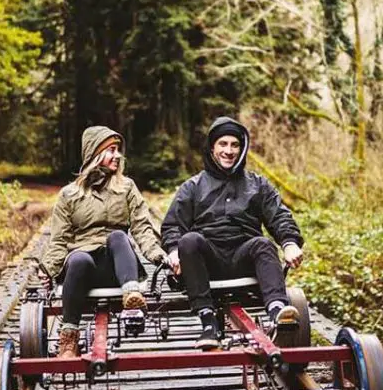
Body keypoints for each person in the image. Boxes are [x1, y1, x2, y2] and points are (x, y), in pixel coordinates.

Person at [161, 116, 304, 350]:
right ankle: (207, 320)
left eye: (235, 145)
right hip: (208, 262)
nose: (229, 151)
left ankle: (278, 310)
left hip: (244, 256)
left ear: (242, 148)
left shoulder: (257, 184)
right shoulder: (193, 186)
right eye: (223, 144)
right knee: (188, 240)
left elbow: (278, 215)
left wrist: (289, 243)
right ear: (212, 148)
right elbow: (172, 225)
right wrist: (174, 250)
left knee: (263, 244)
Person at [40, 126, 167, 359]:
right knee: (78, 258)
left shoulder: (126, 187)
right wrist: (48, 269)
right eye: (111, 150)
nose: (117, 156)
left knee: (118, 236)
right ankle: (68, 339)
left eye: (118, 150)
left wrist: (157, 254)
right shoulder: (69, 195)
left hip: (117, 266)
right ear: (94, 154)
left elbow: (141, 228)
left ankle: (132, 297)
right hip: (83, 269)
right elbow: (59, 240)